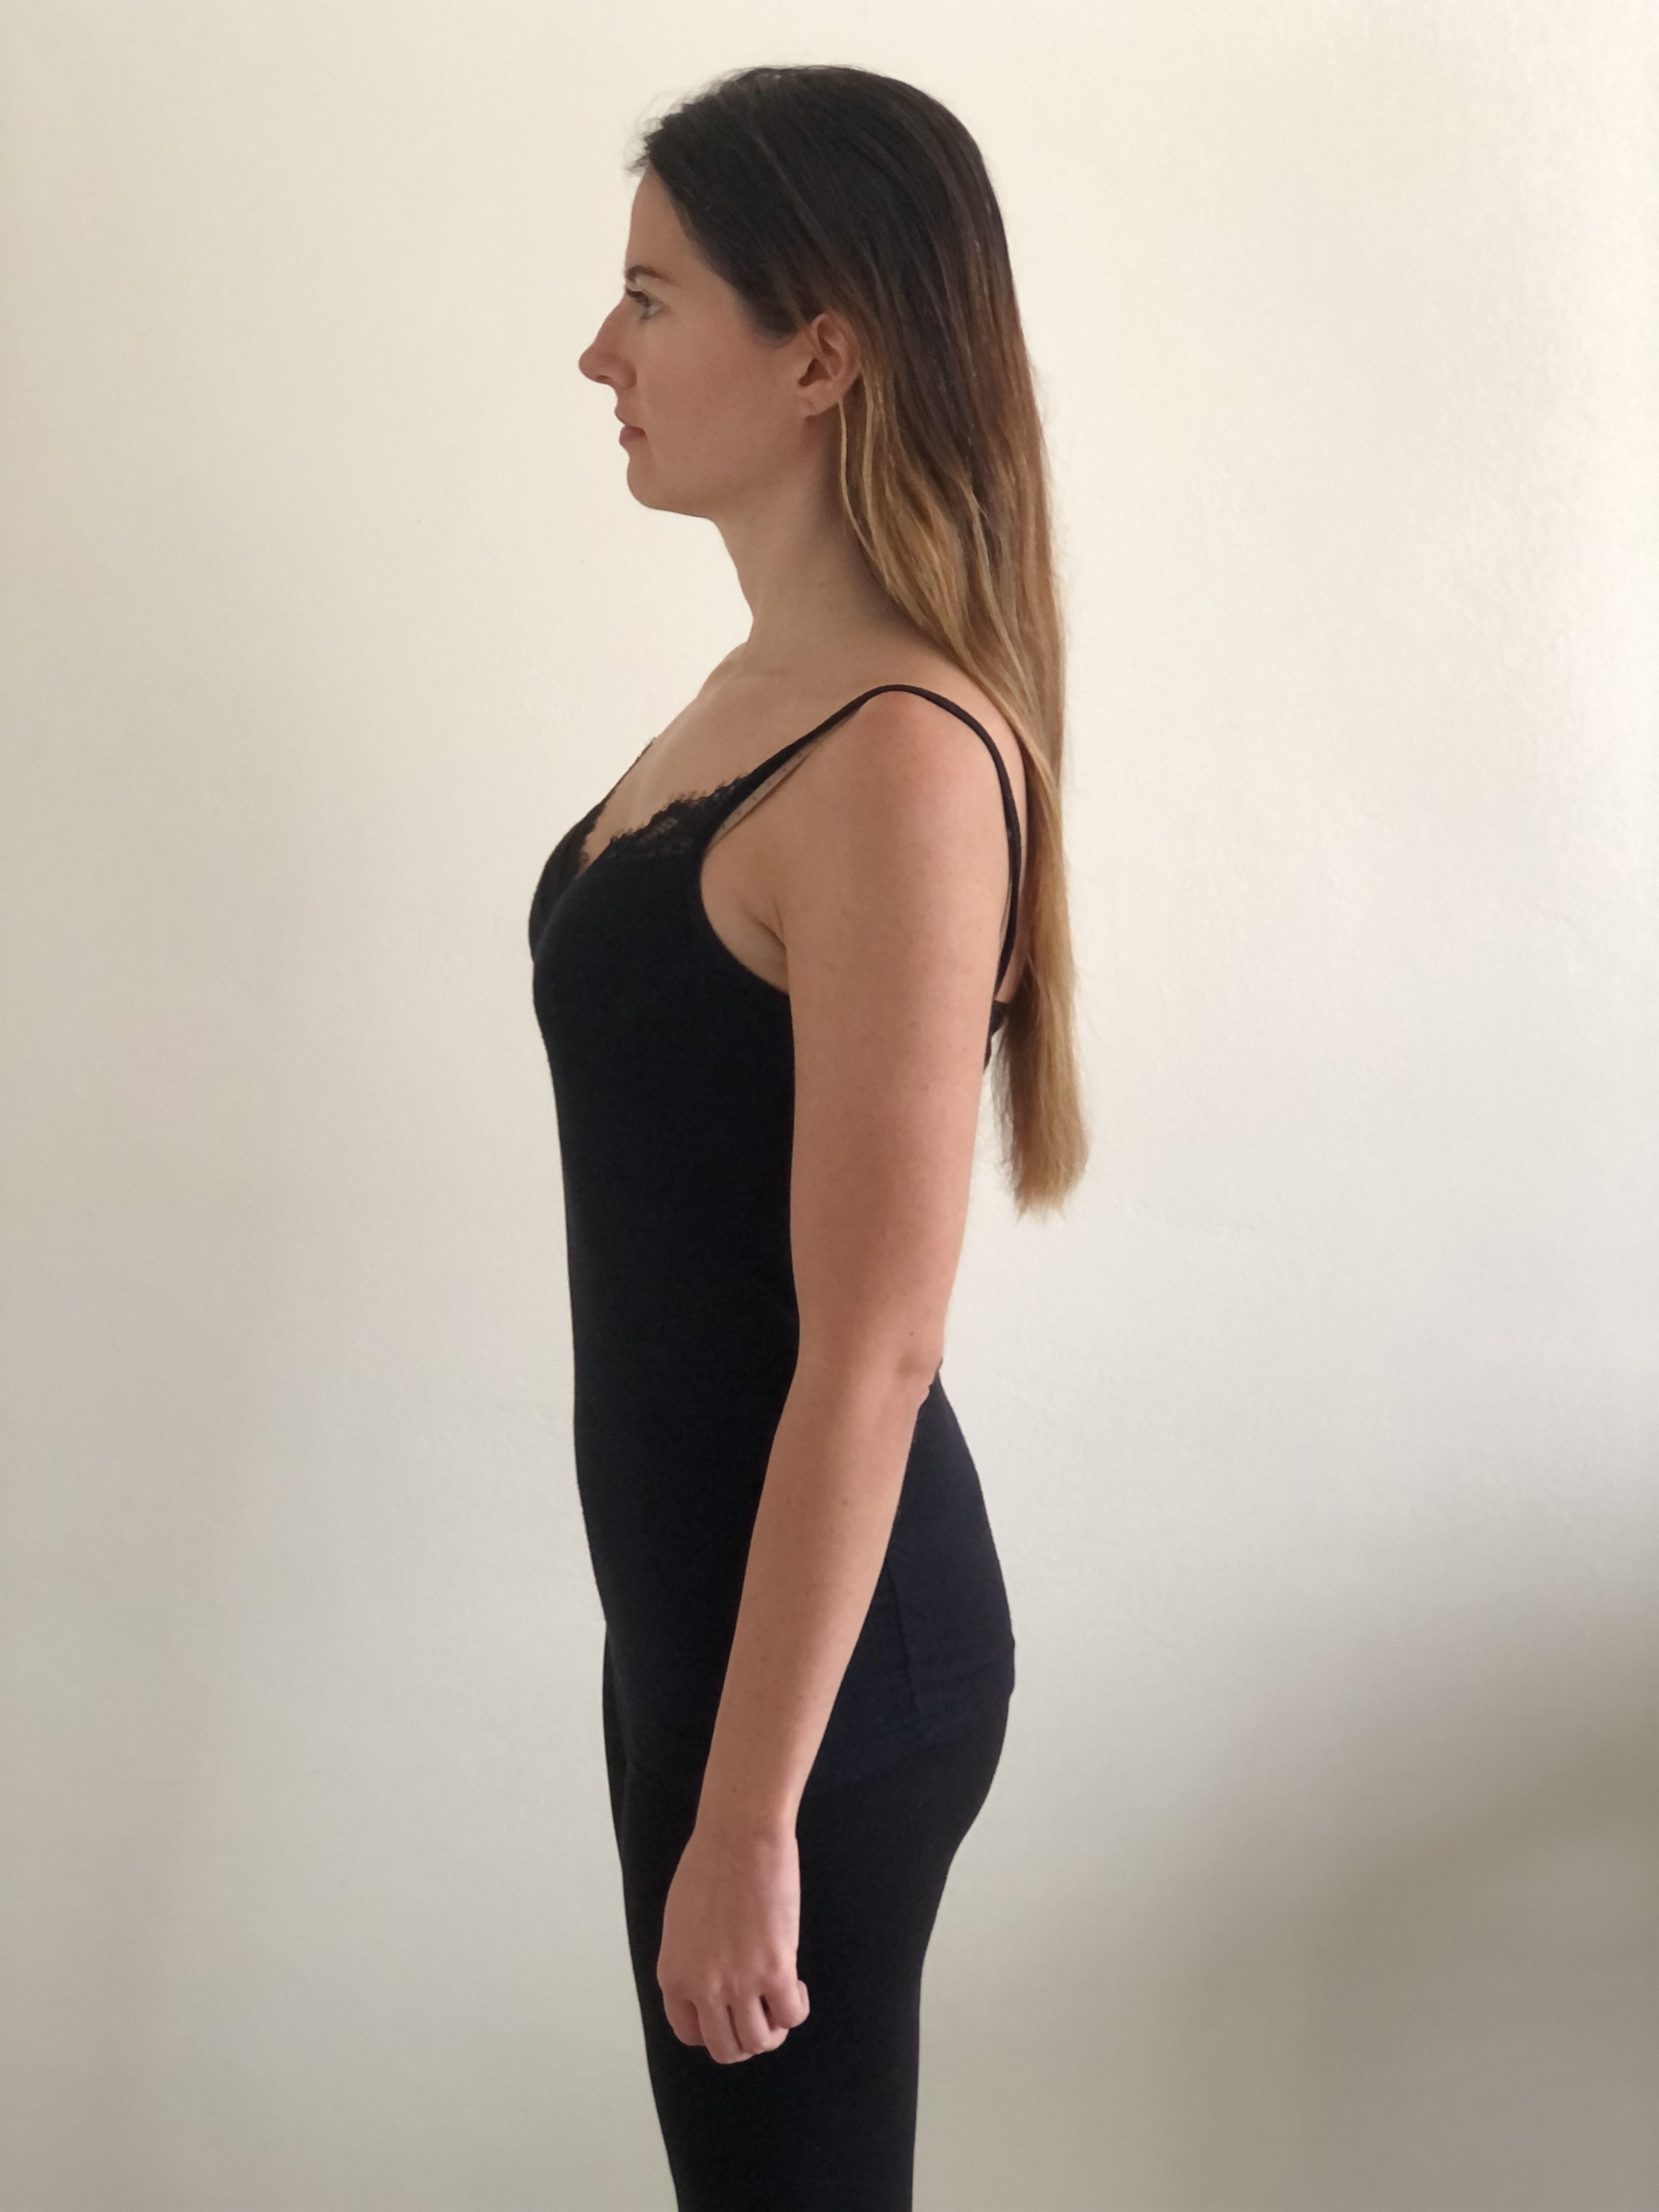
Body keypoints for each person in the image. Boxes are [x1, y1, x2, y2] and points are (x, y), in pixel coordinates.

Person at [527, 63, 1088, 2211]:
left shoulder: (899, 760)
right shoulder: (756, 695)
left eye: (653, 298)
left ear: (823, 355)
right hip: (704, 1628)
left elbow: (875, 1348)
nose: (602, 353)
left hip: (832, 1688)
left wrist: (751, 1816)